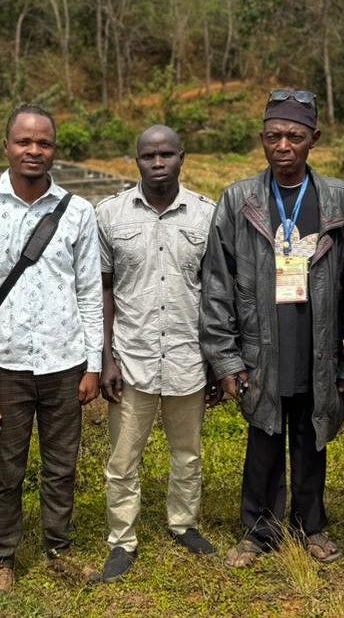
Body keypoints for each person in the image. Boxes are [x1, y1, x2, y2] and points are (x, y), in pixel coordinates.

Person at [200, 91, 344, 568]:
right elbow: (217, 284)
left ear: (315, 139)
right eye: (273, 136)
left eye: (294, 136)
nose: (283, 146)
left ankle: (311, 526)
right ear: (262, 139)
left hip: (318, 345)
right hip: (260, 346)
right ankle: (258, 532)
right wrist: (226, 359)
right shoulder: (238, 200)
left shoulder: (338, 199)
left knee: (311, 436)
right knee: (263, 438)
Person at [0, 104, 103, 592]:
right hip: (5, 366)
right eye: (24, 141)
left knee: (62, 466)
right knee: (7, 469)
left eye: (43, 143)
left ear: (54, 150)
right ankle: (4, 557)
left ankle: (59, 548)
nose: (33, 150)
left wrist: (93, 364)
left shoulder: (78, 212)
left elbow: (88, 292)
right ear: (6, 146)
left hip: (65, 363)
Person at [96, 124, 217, 582]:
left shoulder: (206, 215)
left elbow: (216, 293)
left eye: (167, 154)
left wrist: (216, 359)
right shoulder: (110, 215)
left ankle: (184, 523)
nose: (158, 162)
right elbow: (104, 290)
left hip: (188, 356)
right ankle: (122, 539)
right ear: (137, 161)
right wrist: (107, 358)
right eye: (149, 156)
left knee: (187, 453)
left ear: (183, 157)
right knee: (123, 459)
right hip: (132, 358)